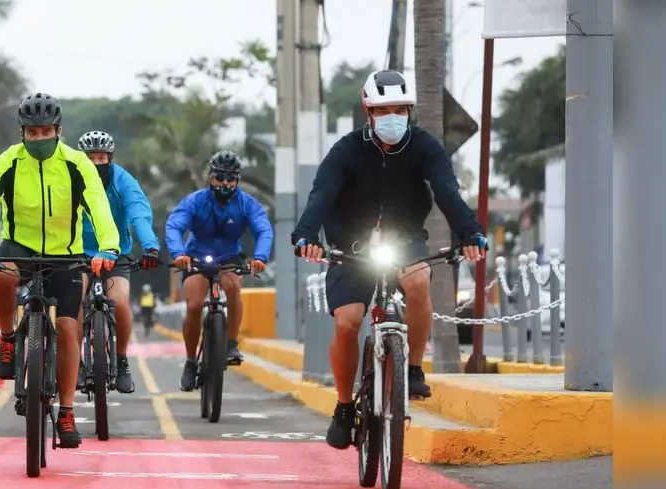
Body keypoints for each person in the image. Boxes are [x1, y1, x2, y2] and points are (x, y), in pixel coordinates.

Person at [291, 69, 488, 450]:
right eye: (383, 110)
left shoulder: (425, 146)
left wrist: (470, 233)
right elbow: (321, 196)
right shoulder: (346, 150)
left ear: (410, 111)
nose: (392, 117)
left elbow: (447, 192)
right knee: (348, 322)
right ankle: (345, 407)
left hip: (405, 237)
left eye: (400, 109)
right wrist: (306, 236)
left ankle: (412, 368)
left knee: (417, 282)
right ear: (368, 112)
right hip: (350, 245)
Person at [0, 92, 121, 449]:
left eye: (46, 131)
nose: (39, 138)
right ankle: (8, 337)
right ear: (22, 133)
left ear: (59, 131)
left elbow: (98, 206)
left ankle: (65, 411)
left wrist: (108, 247)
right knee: (0, 275)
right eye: (32, 132)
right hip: (20, 247)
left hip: (66, 253)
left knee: (67, 327)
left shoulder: (79, 165)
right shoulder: (6, 163)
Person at [165, 150, 274, 392]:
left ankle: (231, 343)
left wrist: (260, 257)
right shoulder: (195, 201)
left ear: (238, 180)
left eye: (231, 179)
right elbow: (174, 225)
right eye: (220, 178)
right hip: (195, 257)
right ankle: (191, 361)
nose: (225, 183)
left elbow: (263, 230)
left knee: (234, 288)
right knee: (194, 305)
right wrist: (179, 254)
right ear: (211, 178)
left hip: (229, 258)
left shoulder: (247, 204)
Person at [75, 130, 161, 394]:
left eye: (102, 157)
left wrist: (149, 246)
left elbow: (138, 211)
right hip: (77, 252)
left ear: (110, 159)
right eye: (90, 158)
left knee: (121, 301)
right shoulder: (70, 178)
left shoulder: (123, 179)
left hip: (116, 253)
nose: (96, 163)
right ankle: (75, 362)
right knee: (73, 300)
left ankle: (122, 360)